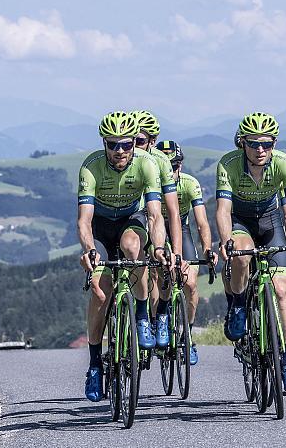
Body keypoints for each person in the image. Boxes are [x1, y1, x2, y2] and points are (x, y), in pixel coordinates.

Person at [77, 110, 169, 402]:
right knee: (101, 294)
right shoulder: (91, 167)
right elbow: (84, 220)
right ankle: (94, 364)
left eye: (127, 144)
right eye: (113, 145)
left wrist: (157, 247)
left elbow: (155, 214)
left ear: (134, 144)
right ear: (104, 144)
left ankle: (142, 316)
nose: (120, 151)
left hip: (132, 218)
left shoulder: (147, 164)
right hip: (101, 228)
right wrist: (89, 250)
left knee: (133, 249)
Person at [216, 112, 286, 394]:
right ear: (242, 143)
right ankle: (239, 305)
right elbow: (222, 210)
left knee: (281, 291)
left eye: (266, 144)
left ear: (274, 144)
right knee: (242, 254)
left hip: (270, 222)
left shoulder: (284, 163)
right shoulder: (229, 165)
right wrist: (226, 240)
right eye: (254, 144)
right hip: (240, 221)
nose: (260, 150)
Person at [155, 139, 217, 364]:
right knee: (160, 274)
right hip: (156, 227)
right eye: (166, 167)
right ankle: (160, 317)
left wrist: (208, 249)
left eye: (175, 166)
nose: (171, 171)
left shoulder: (190, 184)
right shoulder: (150, 183)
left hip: (181, 226)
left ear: (180, 165)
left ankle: (187, 336)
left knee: (190, 283)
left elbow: (201, 222)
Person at [129, 110, 184, 349]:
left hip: (157, 221)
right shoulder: (124, 160)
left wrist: (178, 254)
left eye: (139, 141)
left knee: (164, 267)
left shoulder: (160, 162)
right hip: (133, 221)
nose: (134, 146)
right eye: (131, 139)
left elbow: (172, 212)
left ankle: (161, 314)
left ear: (152, 142)